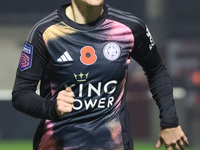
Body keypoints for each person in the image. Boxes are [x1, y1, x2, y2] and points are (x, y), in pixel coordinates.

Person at [12, 0, 189, 149]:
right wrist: (52, 107)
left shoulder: (129, 28)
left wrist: (170, 122)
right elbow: (21, 94)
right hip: (57, 145)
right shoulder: (46, 32)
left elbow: (156, 70)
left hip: (114, 144)